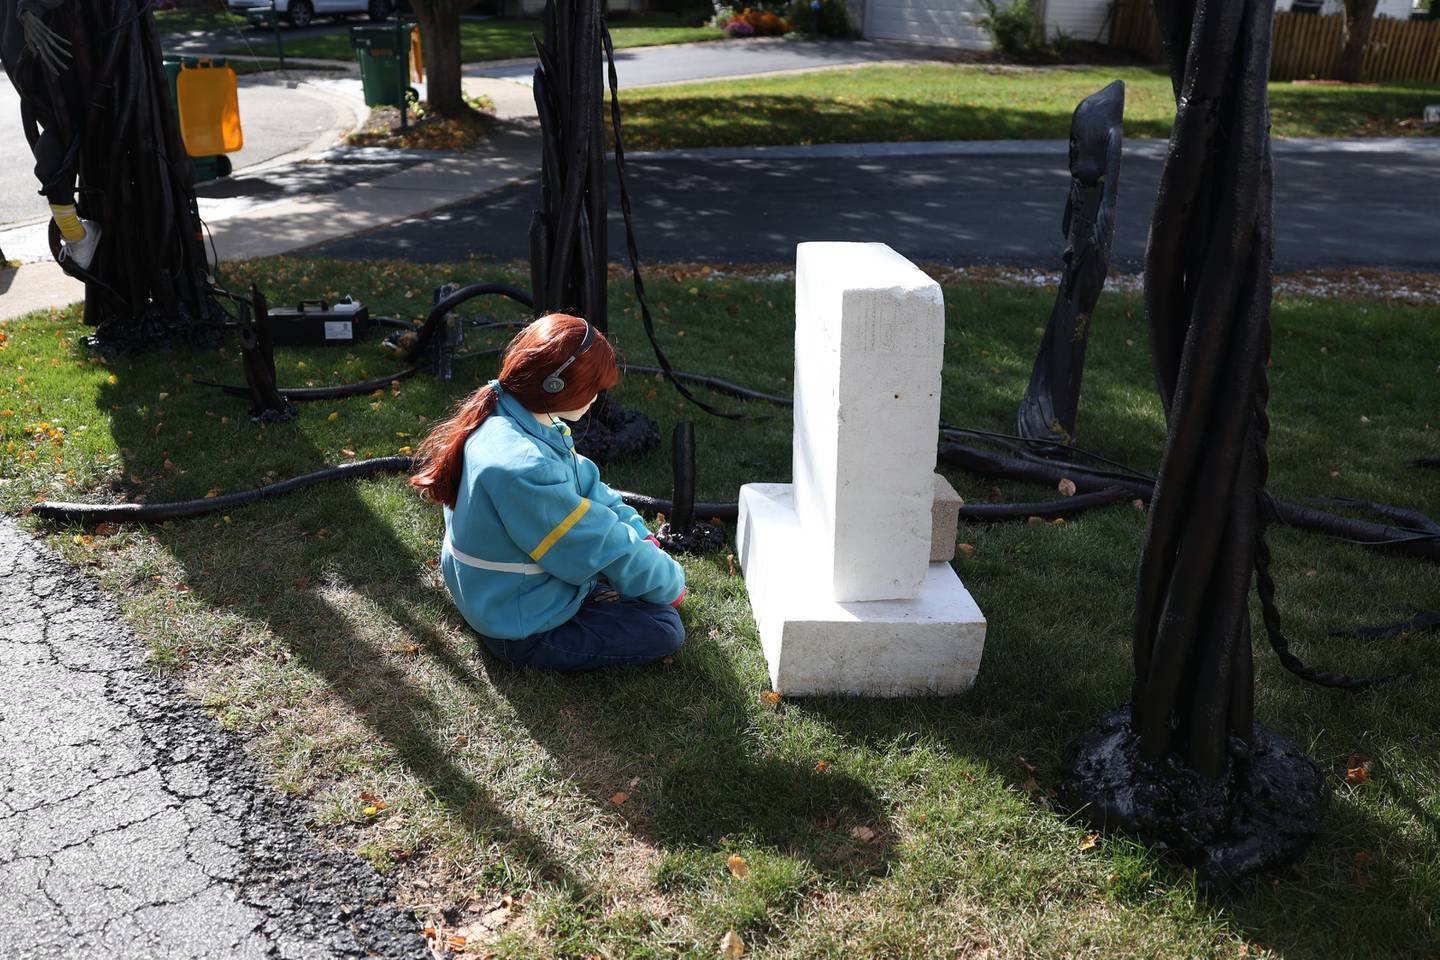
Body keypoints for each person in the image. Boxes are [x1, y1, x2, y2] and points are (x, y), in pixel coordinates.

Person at [410, 313, 686, 671]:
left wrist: (642, 535)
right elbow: (598, 545)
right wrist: (670, 584)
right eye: (592, 387)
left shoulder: (510, 418)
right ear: (555, 385)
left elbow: (588, 485)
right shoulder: (527, 469)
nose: (597, 397)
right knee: (664, 627)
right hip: (519, 626)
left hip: (495, 597)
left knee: (638, 587)